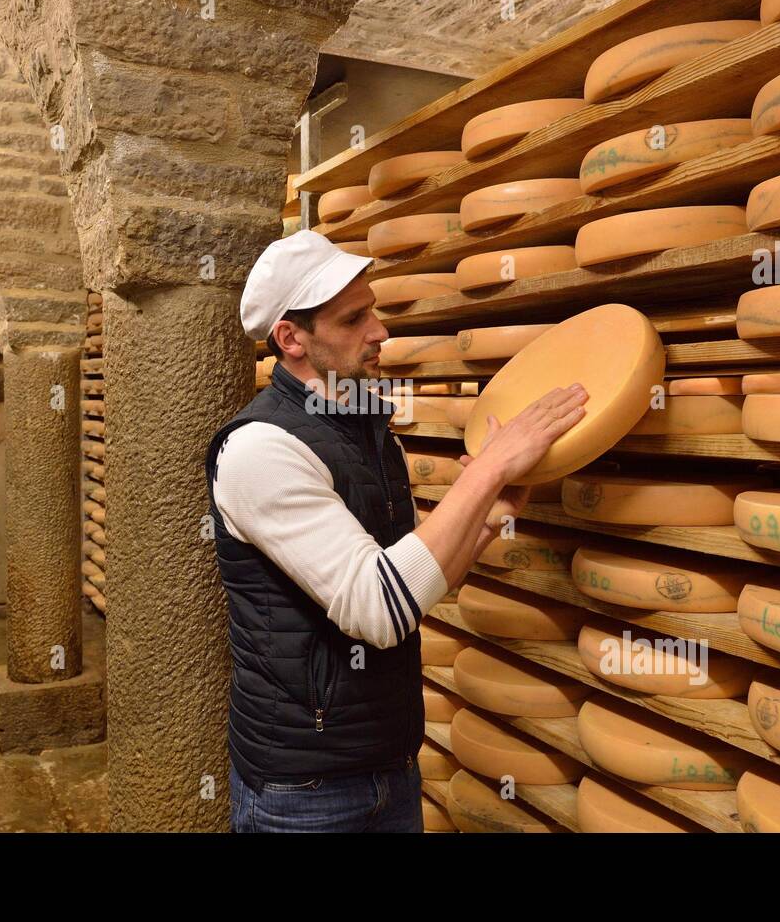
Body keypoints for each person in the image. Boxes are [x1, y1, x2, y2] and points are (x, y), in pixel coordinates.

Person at [204, 229, 587, 832]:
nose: (380, 331)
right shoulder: (260, 449)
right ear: (291, 339)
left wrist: (486, 519)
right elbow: (378, 608)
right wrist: (486, 470)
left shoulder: (369, 432)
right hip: (306, 788)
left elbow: (413, 588)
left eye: (374, 310)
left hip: (389, 761)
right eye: (355, 319)